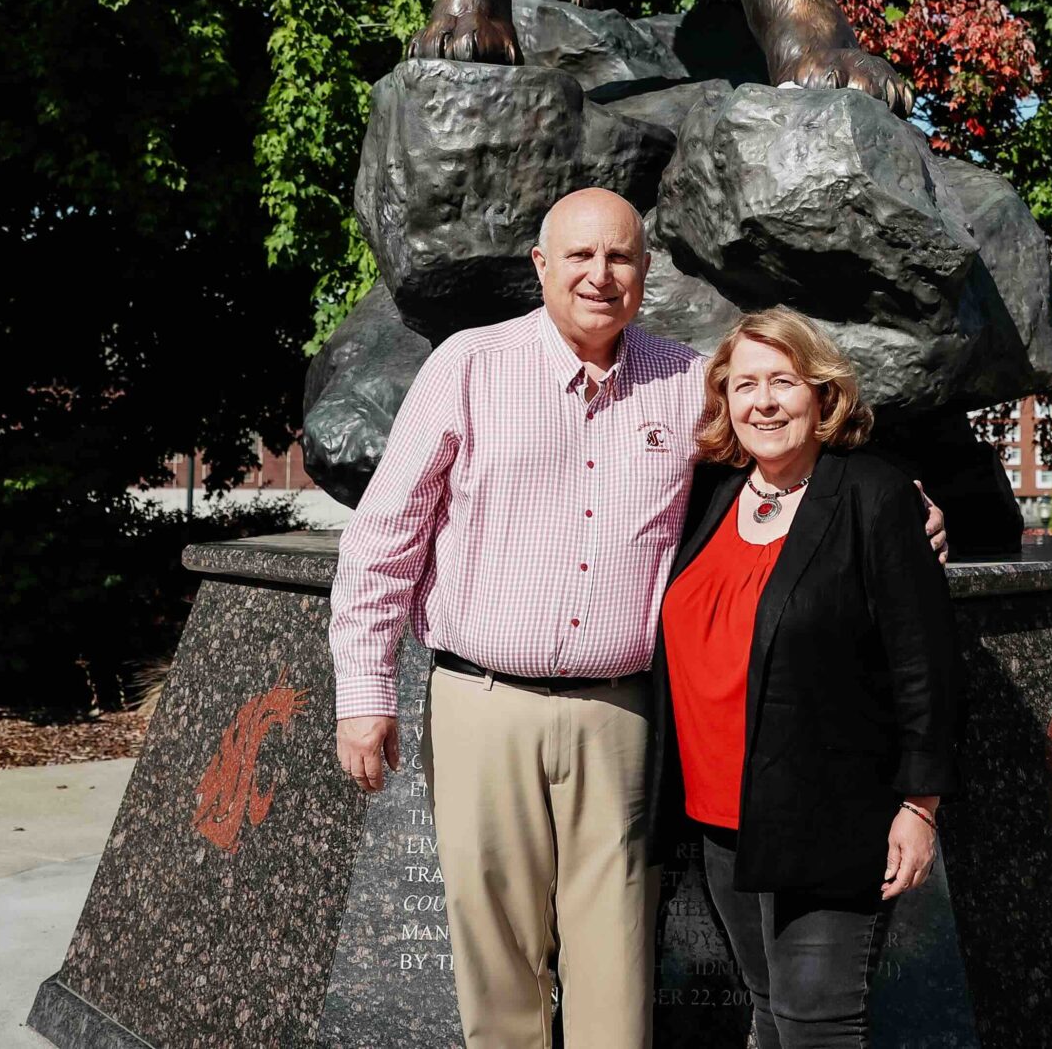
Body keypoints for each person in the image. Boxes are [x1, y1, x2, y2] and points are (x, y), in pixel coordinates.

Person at [328, 189, 943, 1049]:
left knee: (617, 971)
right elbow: (383, 536)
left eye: (620, 257)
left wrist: (903, 503)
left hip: (622, 716)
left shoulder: (685, 383)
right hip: (482, 703)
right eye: (579, 255)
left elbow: (785, 449)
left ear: (644, 273)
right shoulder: (468, 366)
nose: (599, 274)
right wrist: (364, 693)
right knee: (497, 966)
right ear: (541, 266)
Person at [656, 308, 961, 1049]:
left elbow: (925, 663)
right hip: (722, 820)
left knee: (816, 1024)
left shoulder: (874, 495)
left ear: (823, 394)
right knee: (767, 1007)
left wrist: (919, 807)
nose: (763, 401)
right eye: (744, 384)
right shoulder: (714, 495)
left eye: (783, 382)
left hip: (831, 818)